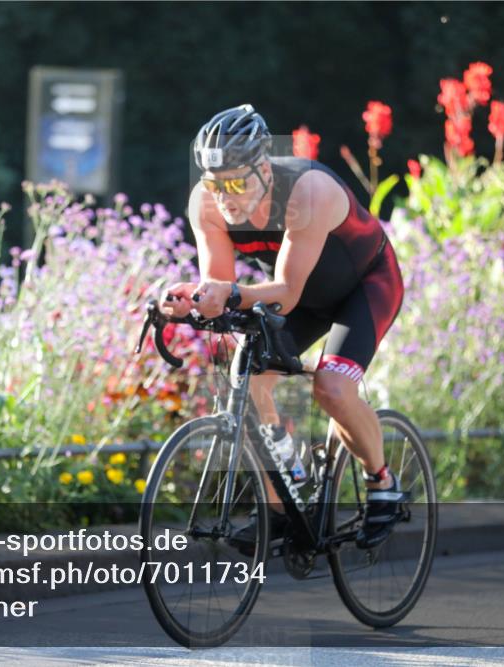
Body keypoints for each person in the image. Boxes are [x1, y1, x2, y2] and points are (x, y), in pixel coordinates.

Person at [160, 104, 405, 549]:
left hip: (363, 287)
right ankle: (281, 505)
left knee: (331, 388)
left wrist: (230, 293)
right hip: (301, 297)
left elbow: (287, 291)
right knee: (246, 380)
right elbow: (221, 287)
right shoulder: (207, 205)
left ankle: (383, 482)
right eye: (215, 184)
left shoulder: (307, 192)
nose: (225, 196)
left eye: (236, 181)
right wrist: (189, 301)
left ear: (266, 170)